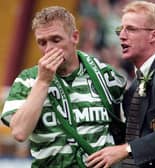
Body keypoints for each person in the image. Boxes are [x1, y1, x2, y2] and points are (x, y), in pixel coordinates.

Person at [0, 6, 126, 168]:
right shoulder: (27, 80)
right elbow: (19, 132)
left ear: (74, 37)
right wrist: (43, 82)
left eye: (56, 40)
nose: (49, 49)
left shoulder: (106, 76)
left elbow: (129, 130)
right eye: (42, 42)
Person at [86, 1, 155, 168]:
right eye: (120, 29)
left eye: (130, 29)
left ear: (153, 35)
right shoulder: (132, 90)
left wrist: (126, 149)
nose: (122, 36)